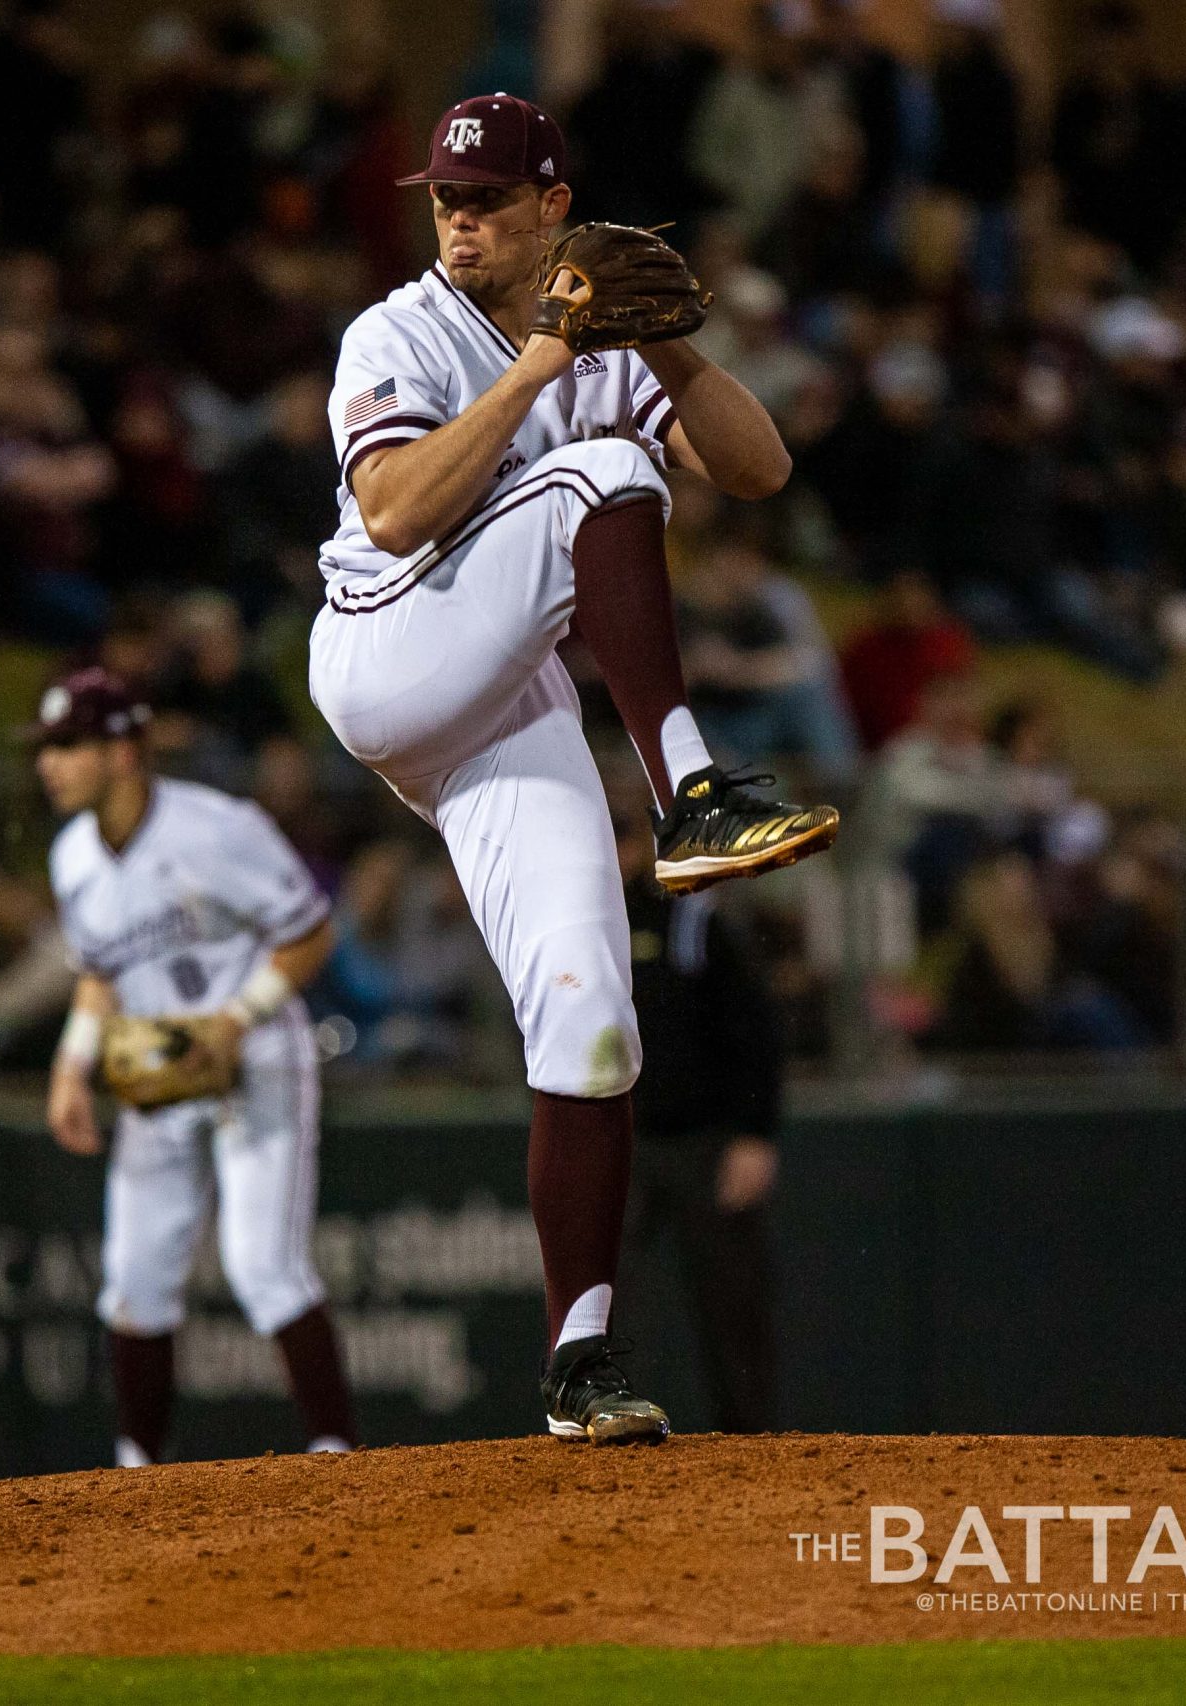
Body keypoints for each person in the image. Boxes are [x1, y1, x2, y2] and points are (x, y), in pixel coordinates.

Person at [304, 94, 836, 1445]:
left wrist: (670, 343)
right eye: (446, 199)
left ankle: (580, 1357)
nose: (461, 219)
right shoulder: (398, 330)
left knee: (594, 1015)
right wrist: (546, 359)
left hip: (507, 698)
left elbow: (759, 469)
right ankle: (693, 792)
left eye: (487, 200)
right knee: (603, 472)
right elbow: (397, 509)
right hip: (388, 646)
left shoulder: (598, 330)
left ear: (554, 206)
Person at [36, 669, 358, 1467]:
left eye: (70, 745)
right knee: (134, 1279)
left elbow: (312, 932)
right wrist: (71, 1067)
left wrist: (235, 1018)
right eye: (47, 747)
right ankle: (137, 1468)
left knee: (264, 1267)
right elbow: (99, 970)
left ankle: (338, 1452)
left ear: (125, 752)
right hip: (163, 1067)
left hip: (258, 1054)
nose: (50, 763)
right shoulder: (71, 855)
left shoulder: (216, 828)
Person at [618, 823, 779, 1434]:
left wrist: (754, 1134)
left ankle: (748, 1441)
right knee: (601, 1300)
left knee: (733, 1305)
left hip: (704, 1140)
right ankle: (603, 1425)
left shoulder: (694, 921)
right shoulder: (585, 922)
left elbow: (755, 1029)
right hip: (623, 1140)